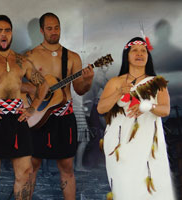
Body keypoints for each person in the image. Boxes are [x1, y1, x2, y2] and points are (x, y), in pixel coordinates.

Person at [0, 15, 49, 200]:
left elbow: (44, 85)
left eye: (7, 30)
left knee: (25, 172)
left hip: (17, 119)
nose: (3, 34)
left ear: (11, 33)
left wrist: (32, 108)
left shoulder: (21, 61)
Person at [23, 12, 94, 199]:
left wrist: (87, 81)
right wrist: (35, 91)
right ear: (41, 30)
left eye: (57, 27)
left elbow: (79, 90)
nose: (54, 32)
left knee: (67, 167)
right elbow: (16, 85)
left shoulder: (72, 57)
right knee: (31, 166)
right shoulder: (30, 56)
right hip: (38, 116)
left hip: (64, 117)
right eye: (49, 28)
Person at [97, 37, 175, 200]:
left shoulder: (157, 82)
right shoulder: (115, 82)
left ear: (148, 56)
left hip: (147, 144)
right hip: (120, 144)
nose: (139, 54)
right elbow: (101, 108)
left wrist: (147, 107)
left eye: (143, 51)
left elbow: (165, 110)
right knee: (124, 188)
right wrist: (119, 92)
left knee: (149, 188)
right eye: (135, 50)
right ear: (127, 55)